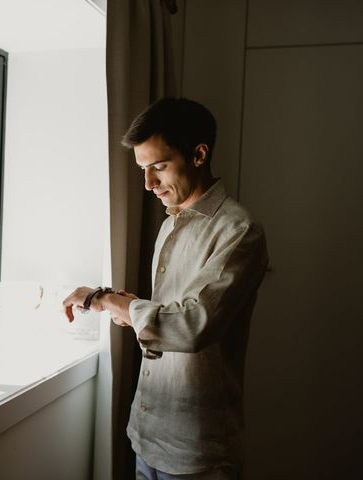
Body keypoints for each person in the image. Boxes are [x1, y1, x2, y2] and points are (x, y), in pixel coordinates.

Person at [63, 97, 268, 480]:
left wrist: (104, 299)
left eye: (158, 167)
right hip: (147, 434)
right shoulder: (170, 223)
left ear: (199, 154)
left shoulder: (239, 231)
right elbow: (171, 311)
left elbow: (190, 326)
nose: (148, 183)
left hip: (197, 449)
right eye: (143, 169)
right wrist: (126, 308)